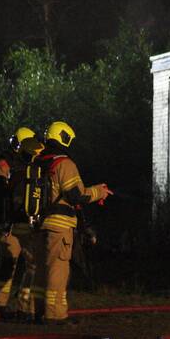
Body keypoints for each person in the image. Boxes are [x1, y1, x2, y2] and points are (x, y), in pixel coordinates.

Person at [31, 121, 112, 324]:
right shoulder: (64, 164)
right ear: (63, 138)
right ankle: (54, 315)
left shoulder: (39, 161)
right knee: (58, 269)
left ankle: (37, 310)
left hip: (40, 224)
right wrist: (99, 192)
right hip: (59, 226)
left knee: (41, 269)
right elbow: (76, 196)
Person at [0, 127, 41, 318]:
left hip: (22, 223)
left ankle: (19, 307)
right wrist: (0, 222)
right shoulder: (5, 165)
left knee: (28, 264)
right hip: (10, 224)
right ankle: (2, 305)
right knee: (8, 263)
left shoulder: (28, 167)